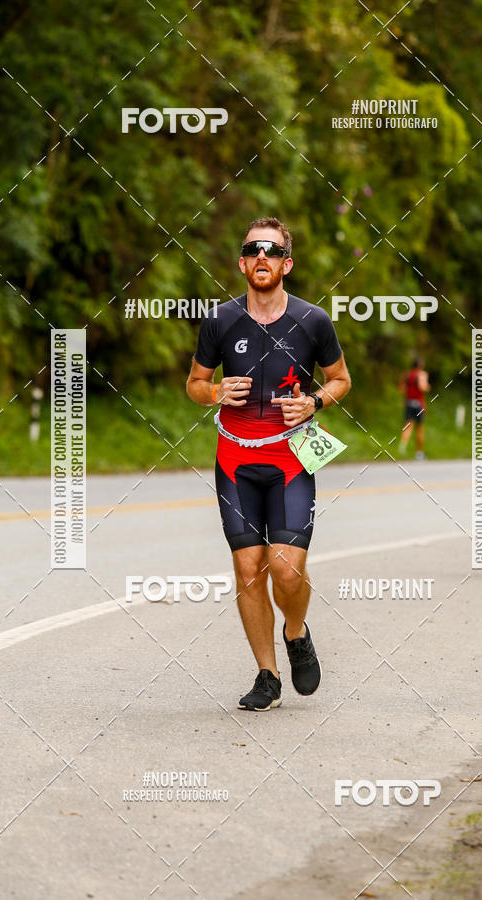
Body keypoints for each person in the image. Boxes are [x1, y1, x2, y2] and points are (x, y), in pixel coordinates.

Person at [186, 217, 351, 710]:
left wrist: (315, 403)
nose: (262, 257)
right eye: (253, 249)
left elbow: (340, 379)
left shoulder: (312, 321)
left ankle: (296, 632)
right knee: (247, 567)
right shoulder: (219, 321)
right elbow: (194, 384)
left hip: (291, 456)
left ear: (286, 263)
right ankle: (267, 675)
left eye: (272, 250)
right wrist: (214, 391)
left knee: (285, 568)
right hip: (235, 457)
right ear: (241, 262)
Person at [398, 358, 430, 459]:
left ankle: (402, 447)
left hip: (408, 403)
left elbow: (401, 388)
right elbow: (422, 387)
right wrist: (427, 386)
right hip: (418, 403)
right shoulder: (422, 374)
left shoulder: (407, 375)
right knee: (419, 428)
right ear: (420, 365)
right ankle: (419, 453)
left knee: (408, 425)